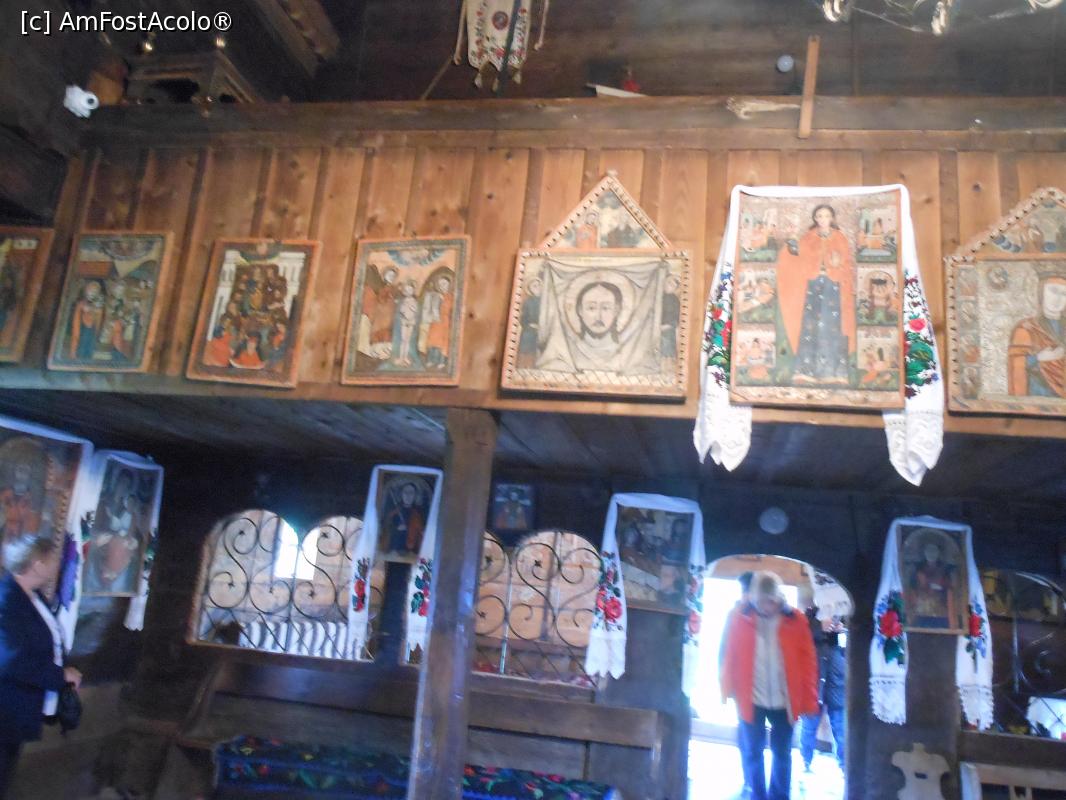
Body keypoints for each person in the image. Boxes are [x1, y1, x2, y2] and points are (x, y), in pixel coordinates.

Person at [721, 571, 819, 800]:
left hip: (785, 700)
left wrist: (809, 698)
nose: (767, 607)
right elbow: (730, 654)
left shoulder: (796, 620)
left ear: (779, 598)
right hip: (751, 698)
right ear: (755, 598)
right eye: (762, 602)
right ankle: (757, 795)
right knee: (753, 751)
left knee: (782, 752)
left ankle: (779, 795)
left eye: (771, 601)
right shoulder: (740, 617)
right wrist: (727, 687)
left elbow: (808, 662)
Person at [0, 534, 83, 798]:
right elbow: (11, 659)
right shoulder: (7, 600)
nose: (57, 565)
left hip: (17, 708)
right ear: (36, 565)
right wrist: (59, 676)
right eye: (52, 560)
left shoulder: (32, 597)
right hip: (5, 707)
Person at [775, 204, 854, 386]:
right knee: (810, 325)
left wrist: (837, 264)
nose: (823, 219)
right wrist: (791, 243)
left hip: (833, 285)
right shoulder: (808, 237)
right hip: (814, 284)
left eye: (826, 216)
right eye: (819, 216)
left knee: (831, 325)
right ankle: (806, 371)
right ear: (815, 218)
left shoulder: (840, 238)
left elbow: (846, 263)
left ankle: (833, 372)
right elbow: (797, 256)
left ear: (832, 218)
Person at [720, 571, 755, 796]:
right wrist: (726, 682)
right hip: (742, 684)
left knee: (750, 735)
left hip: (758, 684)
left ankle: (752, 781)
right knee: (746, 733)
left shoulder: (764, 615)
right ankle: (749, 779)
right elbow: (725, 650)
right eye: (745, 591)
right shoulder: (734, 614)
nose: (746, 595)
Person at [800, 612, 847, 773]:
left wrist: (843, 628)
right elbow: (802, 633)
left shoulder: (846, 610)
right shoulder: (811, 613)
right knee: (809, 725)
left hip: (837, 677)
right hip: (813, 676)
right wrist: (820, 626)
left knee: (840, 726)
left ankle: (844, 764)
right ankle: (806, 761)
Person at [1007, 274, 1066, 398]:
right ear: (1041, 293)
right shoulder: (1026, 329)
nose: (1058, 299)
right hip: (1039, 394)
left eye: (1064, 294)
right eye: (1053, 291)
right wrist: (1038, 358)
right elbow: (1016, 364)